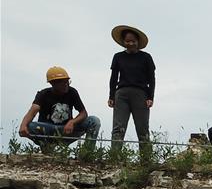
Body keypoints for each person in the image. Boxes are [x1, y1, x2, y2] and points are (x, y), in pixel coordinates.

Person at [18, 66, 101, 153]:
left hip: (67, 130)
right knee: (30, 126)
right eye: (62, 82)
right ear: (52, 83)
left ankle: (87, 153)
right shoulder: (43, 94)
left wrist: (72, 122)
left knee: (94, 121)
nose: (66, 85)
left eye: (67, 82)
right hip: (48, 129)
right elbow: (33, 111)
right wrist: (23, 125)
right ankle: (47, 147)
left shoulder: (72, 92)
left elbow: (83, 113)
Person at [108, 24, 155, 158]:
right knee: (118, 128)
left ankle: (146, 161)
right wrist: (111, 96)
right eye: (128, 41)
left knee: (142, 129)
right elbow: (113, 78)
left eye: (133, 41)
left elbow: (151, 79)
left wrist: (150, 97)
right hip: (121, 94)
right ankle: (114, 158)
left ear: (138, 42)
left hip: (141, 94)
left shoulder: (146, 57)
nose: (130, 43)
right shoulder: (118, 57)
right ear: (123, 42)